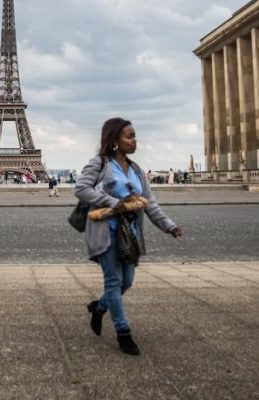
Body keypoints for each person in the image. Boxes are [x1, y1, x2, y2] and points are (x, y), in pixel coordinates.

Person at [75, 118, 182, 356]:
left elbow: (149, 203)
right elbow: (81, 189)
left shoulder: (136, 170)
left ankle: (99, 308)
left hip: (129, 234)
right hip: (106, 232)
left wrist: (169, 226)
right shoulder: (100, 163)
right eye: (129, 136)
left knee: (127, 282)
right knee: (114, 282)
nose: (134, 140)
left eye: (134, 136)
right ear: (115, 140)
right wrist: (114, 202)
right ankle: (123, 333)